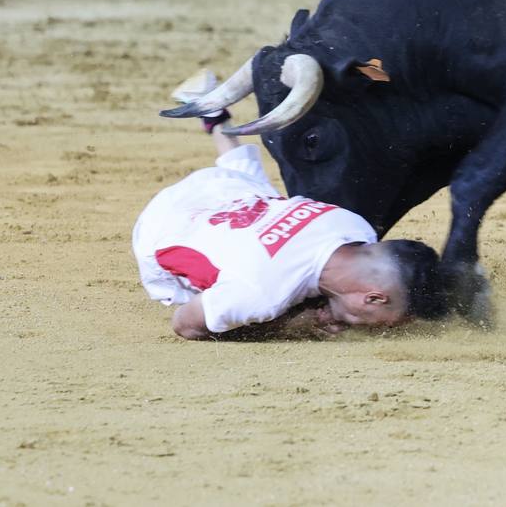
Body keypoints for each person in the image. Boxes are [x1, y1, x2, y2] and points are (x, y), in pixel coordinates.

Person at [134, 70, 446, 340]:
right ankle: (212, 112)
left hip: (224, 187)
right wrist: (286, 325)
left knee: (264, 202)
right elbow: (185, 325)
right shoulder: (261, 294)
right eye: (388, 325)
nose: (383, 331)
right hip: (162, 227)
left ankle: (213, 113)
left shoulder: (353, 225)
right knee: (256, 261)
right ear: (374, 298)